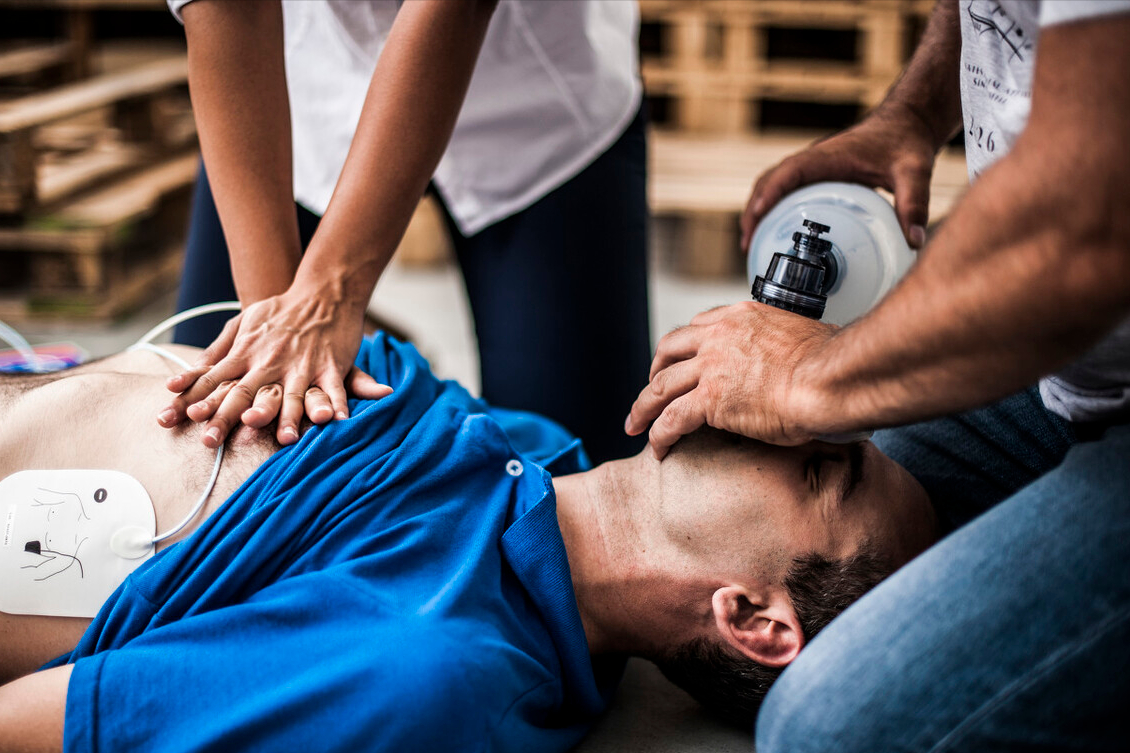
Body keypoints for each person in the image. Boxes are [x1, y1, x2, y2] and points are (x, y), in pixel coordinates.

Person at [0, 333, 936, 752]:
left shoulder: (428, 662)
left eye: (828, 471)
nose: (803, 419)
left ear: (755, 618)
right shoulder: (537, 454)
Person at [625, 1, 1130, 750]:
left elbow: (1088, 226)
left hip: (1093, 295)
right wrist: (919, 110)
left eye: (825, 468)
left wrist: (811, 374)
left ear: (752, 620)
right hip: (1083, 360)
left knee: (825, 730)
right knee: (892, 482)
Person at [161, 0, 651, 464]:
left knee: (577, 464)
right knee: (208, 421)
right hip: (304, 91)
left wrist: (328, 295)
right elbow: (229, 11)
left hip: (534, 100)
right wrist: (274, 333)